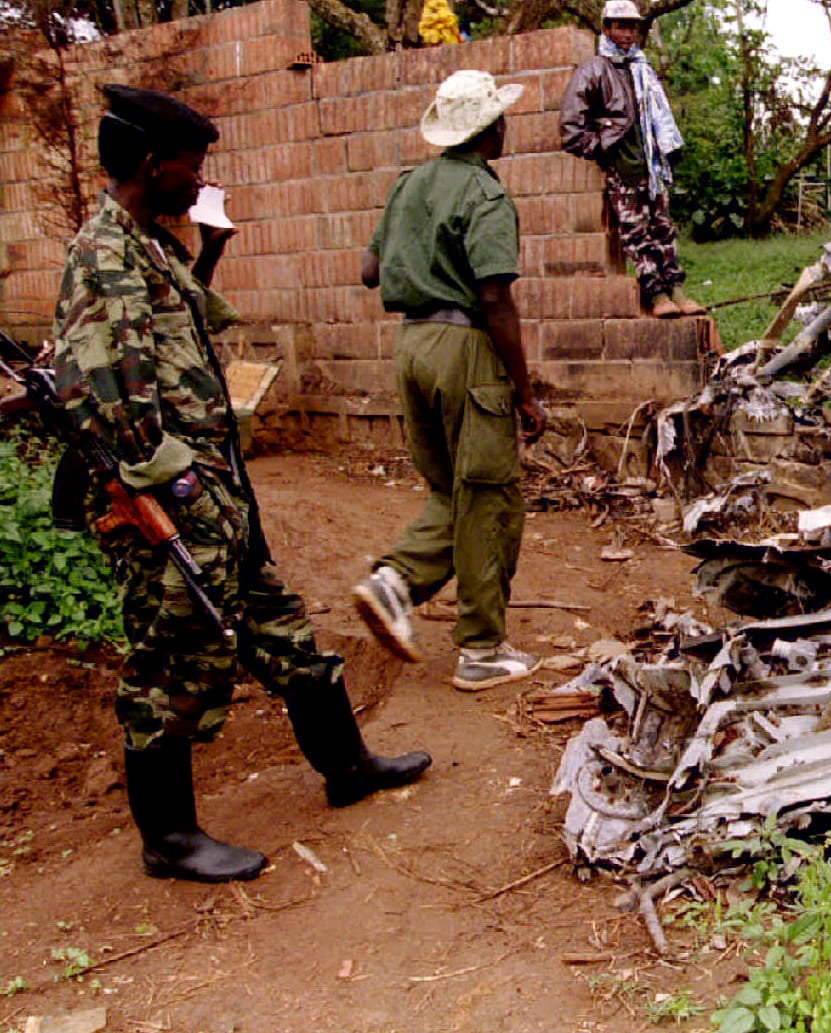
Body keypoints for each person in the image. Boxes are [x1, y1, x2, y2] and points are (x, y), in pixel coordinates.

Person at [51, 84, 431, 884]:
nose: (200, 182)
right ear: (153, 166)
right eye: (193, 169)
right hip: (169, 500)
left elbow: (187, 324)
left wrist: (209, 247)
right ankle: (170, 836)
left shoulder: (147, 241)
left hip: (211, 490)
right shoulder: (104, 255)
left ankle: (347, 764)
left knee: (277, 621)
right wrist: (176, 492)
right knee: (171, 652)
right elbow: (106, 393)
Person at [353, 70, 548, 692]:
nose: (506, 125)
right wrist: (523, 389)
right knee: (488, 495)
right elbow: (495, 297)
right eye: (500, 116)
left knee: (449, 490)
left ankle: (394, 584)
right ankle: (481, 649)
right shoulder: (485, 195)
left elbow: (368, 270)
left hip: (411, 345)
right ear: (490, 128)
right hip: (463, 346)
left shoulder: (408, 186)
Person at [559, 0, 705, 319]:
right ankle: (656, 294)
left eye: (631, 27)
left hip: (651, 166)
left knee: (663, 227)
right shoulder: (594, 70)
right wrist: (604, 148)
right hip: (623, 167)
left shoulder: (642, 68)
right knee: (636, 233)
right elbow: (571, 129)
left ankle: (677, 290)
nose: (627, 33)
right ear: (607, 28)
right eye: (620, 26)